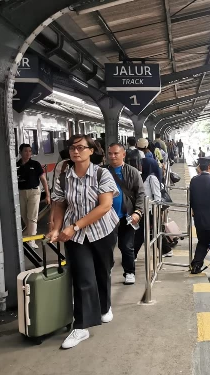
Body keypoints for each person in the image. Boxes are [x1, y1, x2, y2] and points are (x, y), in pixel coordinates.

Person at [48, 134, 120, 349]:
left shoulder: (101, 174)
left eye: (80, 147)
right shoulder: (63, 175)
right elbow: (60, 204)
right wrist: (57, 228)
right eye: (72, 148)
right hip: (76, 236)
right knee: (83, 276)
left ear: (91, 151)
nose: (75, 151)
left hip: (102, 230)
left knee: (102, 270)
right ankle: (80, 327)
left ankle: (104, 306)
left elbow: (105, 206)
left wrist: (75, 226)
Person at [106, 143, 145, 285]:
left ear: (123, 154)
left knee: (126, 246)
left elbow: (140, 194)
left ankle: (129, 272)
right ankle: (106, 270)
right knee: (107, 246)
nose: (112, 156)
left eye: (116, 153)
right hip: (106, 218)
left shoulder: (132, 172)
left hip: (126, 216)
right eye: (110, 153)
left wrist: (138, 212)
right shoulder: (102, 171)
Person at [17, 143, 51, 249]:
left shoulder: (35, 164)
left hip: (34, 192)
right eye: (26, 151)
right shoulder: (17, 165)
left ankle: (31, 240)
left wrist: (47, 195)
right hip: (21, 192)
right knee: (24, 215)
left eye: (30, 151)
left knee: (32, 217)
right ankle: (29, 236)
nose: (28, 153)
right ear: (20, 152)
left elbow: (43, 180)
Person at [134, 139, 163, 259]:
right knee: (151, 231)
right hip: (144, 209)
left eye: (142, 164)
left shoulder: (152, 178)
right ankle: (165, 249)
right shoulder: (142, 177)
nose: (140, 166)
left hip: (149, 209)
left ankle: (133, 254)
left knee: (142, 232)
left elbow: (157, 196)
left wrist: (157, 210)